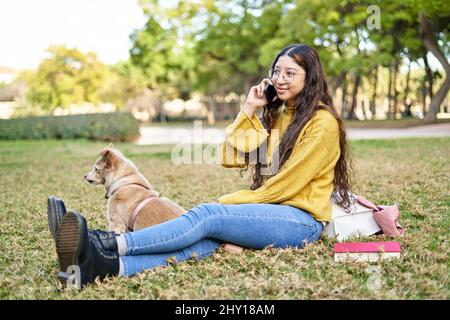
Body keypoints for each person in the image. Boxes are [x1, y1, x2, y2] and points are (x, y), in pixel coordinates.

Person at [48, 44, 353, 288]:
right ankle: (102, 266)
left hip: (301, 219)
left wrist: (226, 205)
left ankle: (107, 242)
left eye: (290, 73)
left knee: (209, 215)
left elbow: (288, 185)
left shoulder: (322, 122)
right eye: (276, 72)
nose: (280, 79)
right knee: (203, 241)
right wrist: (249, 108)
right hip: (273, 211)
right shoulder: (280, 114)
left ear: (309, 77)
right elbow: (230, 157)